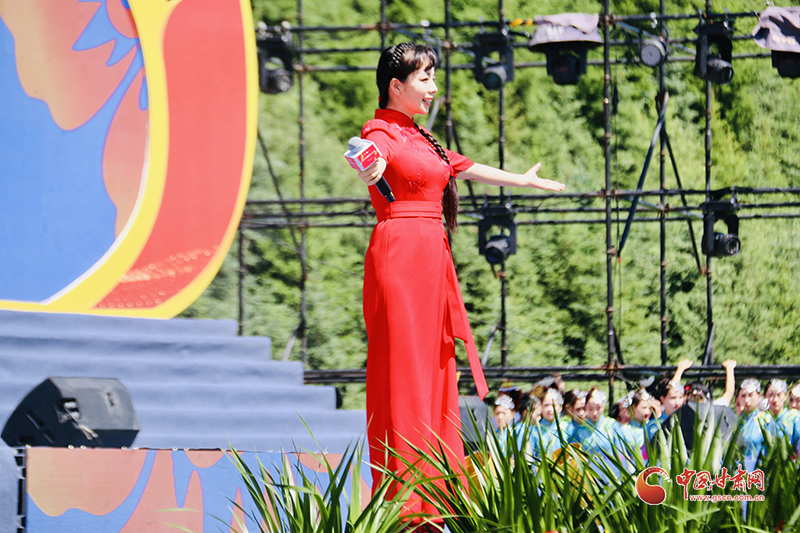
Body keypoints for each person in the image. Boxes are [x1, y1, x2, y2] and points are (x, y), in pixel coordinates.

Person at [355, 42, 566, 517]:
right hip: (401, 255)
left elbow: (464, 166)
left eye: (433, 76)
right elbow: (369, 155)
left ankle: (435, 496)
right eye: (424, 78)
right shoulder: (381, 130)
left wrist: (522, 180)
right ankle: (406, 504)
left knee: (437, 369)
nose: (433, 87)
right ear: (396, 86)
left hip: (432, 258)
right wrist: (369, 165)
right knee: (405, 373)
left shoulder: (422, 138)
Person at [764, 378, 800, 453]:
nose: (775, 399)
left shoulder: (794, 418)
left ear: (785, 396)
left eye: (779, 395)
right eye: (771, 395)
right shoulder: (762, 419)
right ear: (765, 397)